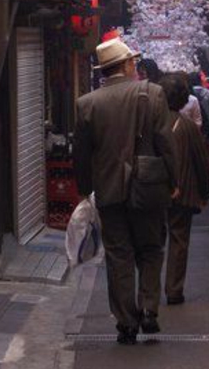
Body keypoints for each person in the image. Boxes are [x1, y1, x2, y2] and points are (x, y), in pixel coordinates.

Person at [73, 37, 178, 345]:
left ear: (104, 70)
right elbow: (165, 144)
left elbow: (81, 153)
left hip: (108, 191)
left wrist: (84, 190)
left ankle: (126, 322)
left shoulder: (87, 104)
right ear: (129, 64)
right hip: (148, 187)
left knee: (119, 255)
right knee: (150, 248)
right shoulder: (152, 93)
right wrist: (173, 181)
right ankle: (148, 309)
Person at [159, 73, 209, 305]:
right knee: (179, 240)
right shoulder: (189, 126)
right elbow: (201, 161)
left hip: (153, 192)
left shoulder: (150, 123)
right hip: (182, 191)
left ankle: (148, 293)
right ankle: (174, 289)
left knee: (152, 242)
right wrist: (205, 191)